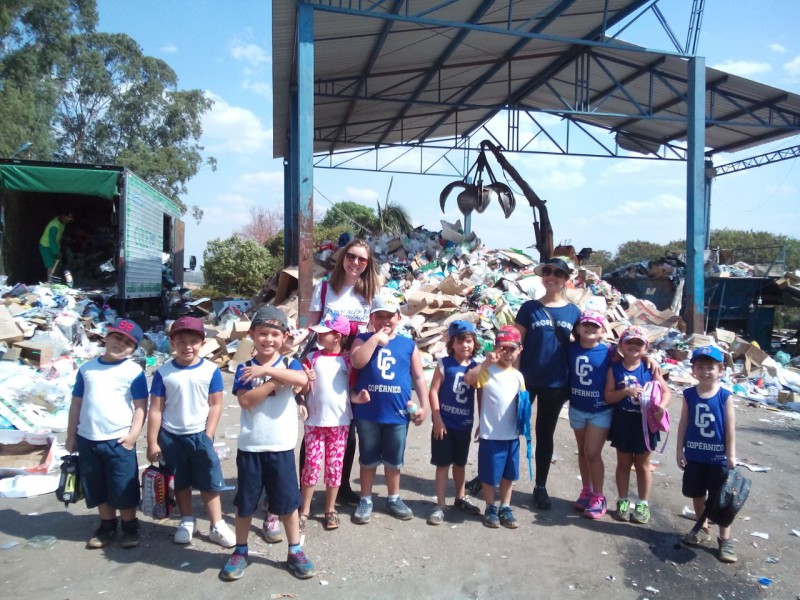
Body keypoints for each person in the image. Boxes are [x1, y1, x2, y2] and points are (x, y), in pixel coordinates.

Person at [220, 305, 314, 581]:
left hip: (281, 447)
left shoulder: (290, 363)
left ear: (284, 337)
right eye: (263, 333)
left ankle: (295, 550)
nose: (268, 339)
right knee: (245, 504)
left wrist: (269, 372)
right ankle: (240, 550)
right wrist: (272, 380)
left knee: (288, 504)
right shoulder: (244, 367)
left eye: (275, 334)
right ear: (252, 335)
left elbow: (302, 379)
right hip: (251, 447)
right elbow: (246, 401)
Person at [146, 316, 236, 548]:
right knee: (180, 480)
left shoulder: (210, 370)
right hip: (171, 436)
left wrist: (208, 434)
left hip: (200, 435)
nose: (187, 346)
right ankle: (187, 520)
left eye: (193, 341)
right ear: (172, 343)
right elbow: (156, 409)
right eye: (181, 341)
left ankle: (217, 524)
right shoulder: (163, 373)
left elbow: (215, 405)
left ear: (202, 343)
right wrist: (152, 442)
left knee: (210, 480)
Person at [305, 238, 380, 507]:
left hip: (355, 364)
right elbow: (311, 326)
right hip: (325, 363)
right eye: (351, 256)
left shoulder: (371, 293)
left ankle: (342, 486)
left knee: (347, 426)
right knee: (315, 423)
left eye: (362, 259)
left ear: (368, 264)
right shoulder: (324, 288)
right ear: (342, 257)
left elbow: (375, 328)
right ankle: (305, 487)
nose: (355, 262)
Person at [65, 318, 148, 549]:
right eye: (117, 337)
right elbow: (76, 404)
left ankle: (130, 526)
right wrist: (71, 435)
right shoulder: (87, 369)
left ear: (133, 349)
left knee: (123, 486)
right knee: (97, 485)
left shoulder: (133, 371)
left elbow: (141, 406)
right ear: (106, 337)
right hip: (88, 439)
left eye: (128, 343)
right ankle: (107, 525)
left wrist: (133, 435)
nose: (120, 344)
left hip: (118, 441)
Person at [349, 295, 429, 524]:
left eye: (389, 316)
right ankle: (366, 499)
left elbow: (418, 377)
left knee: (394, 460)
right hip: (368, 413)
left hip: (398, 413)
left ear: (398, 317)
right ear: (371, 318)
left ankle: (393, 498)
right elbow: (357, 361)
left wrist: (424, 406)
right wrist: (375, 338)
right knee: (368, 458)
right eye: (379, 316)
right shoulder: (363, 339)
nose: (385, 321)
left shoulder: (407, 344)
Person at [514, 256, 582, 509]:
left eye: (558, 273)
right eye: (547, 272)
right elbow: (515, 344)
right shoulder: (529, 308)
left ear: (566, 279)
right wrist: (515, 378)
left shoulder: (574, 312)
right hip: (527, 380)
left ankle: (540, 486)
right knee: (510, 428)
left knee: (545, 434)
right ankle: (493, 475)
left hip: (556, 383)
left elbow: (587, 343)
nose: (551, 276)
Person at [677, 346, 738, 563]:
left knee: (722, 499)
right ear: (693, 370)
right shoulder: (689, 394)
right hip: (695, 456)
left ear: (721, 370)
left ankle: (725, 539)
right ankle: (702, 528)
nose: (705, 372)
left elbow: (730, 428)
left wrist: (731, 455)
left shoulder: (725, 396)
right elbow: (683, 423)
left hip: (718, 458)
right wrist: (679, 449)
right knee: (697, 493)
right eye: (700, 367)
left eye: (710, 367)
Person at [604, 326, 671, 525]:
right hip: (623, 422)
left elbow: (666, 392)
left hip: (646, 424)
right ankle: (623, 501)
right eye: (629, 342)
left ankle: (642, 504)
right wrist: (625, 392)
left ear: (645, 347)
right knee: (623, 464)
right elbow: (608, 396)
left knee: (643, 466)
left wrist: (661, 407)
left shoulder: (650, 369)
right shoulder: (614, 369)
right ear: (621, 346)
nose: (634, 346)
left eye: (639, 343)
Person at [464, 326, 526, 529]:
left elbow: (522, 404)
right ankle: (490, 506)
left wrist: (524, 425)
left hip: (512, 435)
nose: (507, 354)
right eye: (503, 348)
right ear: (495, 348)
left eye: (512, 349)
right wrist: (485, 363)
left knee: (509, 475)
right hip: (491, 434)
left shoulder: (518, 376)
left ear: (520, 349)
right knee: (489, 475)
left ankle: (505, 506)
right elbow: (469, 380)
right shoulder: (488, 371)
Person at [298, 312, 353, 532]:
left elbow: (351, 389)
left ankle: (330, 510)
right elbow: (302, 389)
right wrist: (306, 382)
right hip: (314, 422)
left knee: (334, 467)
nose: (319, 337)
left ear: (338, 337)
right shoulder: (312, 357)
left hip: (340, 423)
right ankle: (304, 510)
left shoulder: (348, 361)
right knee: (311, 466)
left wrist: (360, 398)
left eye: (324, 333)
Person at [426, 320, 482, 525]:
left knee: (460, 463)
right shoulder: (444, 364)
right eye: (459, 341)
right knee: (443, 464)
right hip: (445, 424)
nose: (464, 345)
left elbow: (480, 395)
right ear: (452, 344)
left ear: (474, 343)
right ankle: (440, 504)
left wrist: (482, 421)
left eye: (468, 341)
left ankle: (460, 498)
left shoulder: (477, 367)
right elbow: (433, 391)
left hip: (464, 424)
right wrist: (437, 418)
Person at [567, 310, 614, 520]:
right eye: (586, 324)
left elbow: (632, 359)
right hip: (577, 408)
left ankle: (599, 496)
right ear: (578, 328)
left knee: (593, 453)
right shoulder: (570, 349)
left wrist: (649, 358)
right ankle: (586, 490)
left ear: (603, 331)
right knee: (582, 451)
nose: (589, 328)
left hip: (599, 411)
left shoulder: (609, 352)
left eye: (595, 326)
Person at [39, 213, 74, 280]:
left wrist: (65, 239)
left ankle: (54, 280)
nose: (68, 221)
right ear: (63, 216)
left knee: (58, 264)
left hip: (54, 246)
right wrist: (57, 252)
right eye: (67, 219)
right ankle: (50, 282)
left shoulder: (62, 223)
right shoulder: (54, 226)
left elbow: (58, 235)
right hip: (45, 246)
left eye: (69, 220)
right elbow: (51, 241)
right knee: (52, 265)